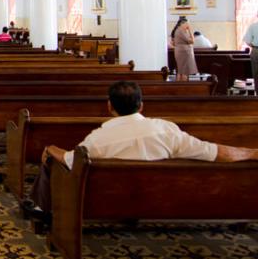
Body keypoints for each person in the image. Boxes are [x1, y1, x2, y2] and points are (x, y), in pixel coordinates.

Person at [24, 81, 258, 223]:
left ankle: (40, 208)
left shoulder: (99, 139)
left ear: (109, 106)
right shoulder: (167, 132)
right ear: (141, 105)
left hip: (106, 200)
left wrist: (50, 149)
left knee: (52, 159)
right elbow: (216, 152)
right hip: (170, 200)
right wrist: (251, 153)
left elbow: (69, 160)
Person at [171, 16, 197, 81]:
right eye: (187, 24)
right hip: (184, 53)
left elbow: (173, 43)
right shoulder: (181, 31)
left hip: (181, 51)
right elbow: (192, 41)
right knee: (184, 71)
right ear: (183, 23)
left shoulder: (178, 30)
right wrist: (190, 30)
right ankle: (184, 87)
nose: (188, 25)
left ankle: (180, 87)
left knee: (181, 71)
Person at [243, 15, 258, 83]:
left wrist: (254, 46)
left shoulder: (253, 26)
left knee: (256, 74)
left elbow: (247, 41)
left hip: (256, 50)